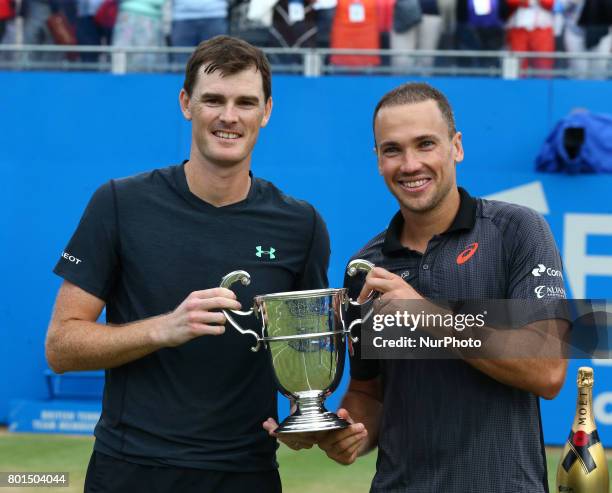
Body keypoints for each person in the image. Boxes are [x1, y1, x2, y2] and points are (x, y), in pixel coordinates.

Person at [46, 35, 330, 493]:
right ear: (186, 103)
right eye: (213, 100)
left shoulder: (301, 225)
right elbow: (60, 345)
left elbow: (300, 356)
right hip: (130, 471)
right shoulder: (119, 203)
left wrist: (309, 420)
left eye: (245, 102)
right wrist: (164, 328)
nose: (229, 116)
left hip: (246, 474)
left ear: (267, 111)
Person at [264, 82, 569, 492]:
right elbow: (368, 394)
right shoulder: (366, 267)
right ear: (378, 160)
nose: (410, 164)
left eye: (425, 144)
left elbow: (548, 369)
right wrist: (347, 432)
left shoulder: (518, 231)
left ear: (455, 147)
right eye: (393, 150)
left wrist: (426, 315)